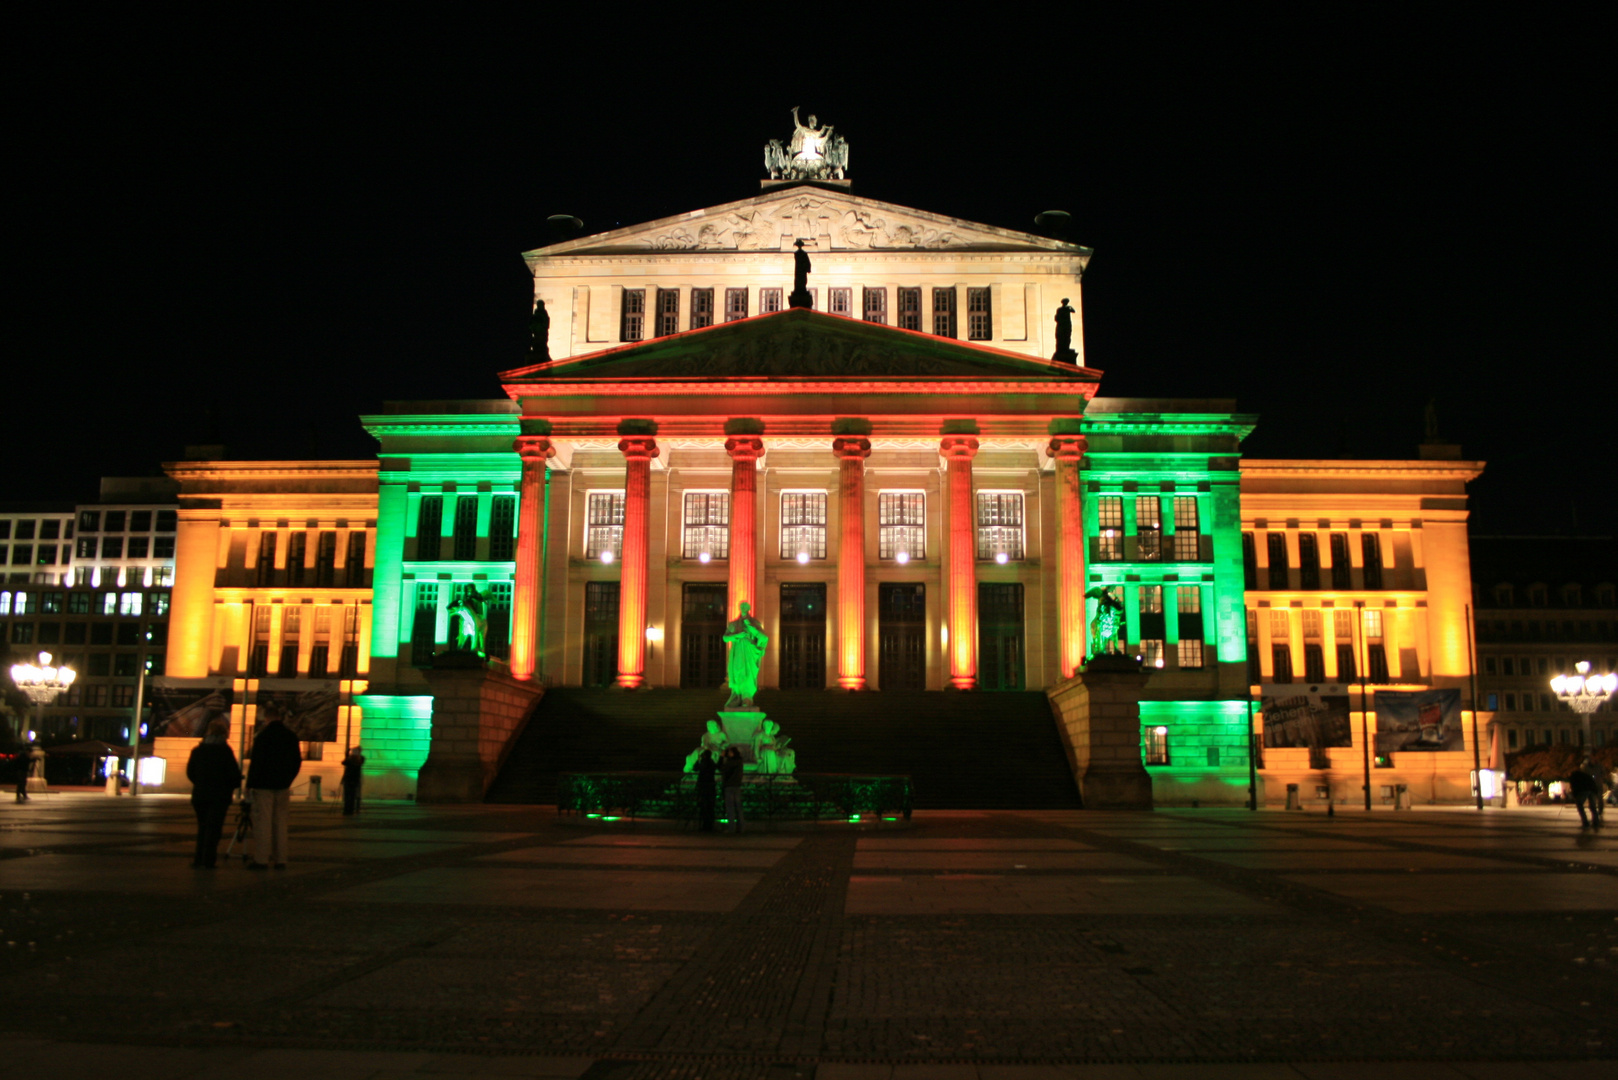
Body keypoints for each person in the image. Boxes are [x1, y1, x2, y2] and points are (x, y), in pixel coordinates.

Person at [245, 705, 302, 868]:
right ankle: (281, 859)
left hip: (263, 785)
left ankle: (261, 859)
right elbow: (297, 761)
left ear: (266, 718)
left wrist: (250, 784)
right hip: (283, 785)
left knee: (263, 822)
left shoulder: (263, 736)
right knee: (281, 823)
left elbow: (256, 762)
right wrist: (288, 779)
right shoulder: (290, 736)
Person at [186, 719, 242, 868]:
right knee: (214, 828)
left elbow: (190, 773)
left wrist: (200, 783)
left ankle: (198, 859)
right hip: (220, 796)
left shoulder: (198, 751)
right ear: (224, 733)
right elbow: (233, 775)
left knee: (202, 827)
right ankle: (209, 860)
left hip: (200, 795)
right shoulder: (225, 751)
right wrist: (232, 785)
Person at [1569, 756, 1602, 829]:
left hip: (1586, 789)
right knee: (1593, 806)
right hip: (1592, 789)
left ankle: (1585, 822)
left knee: (1579, 804)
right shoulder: (1585, 774)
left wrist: (1575, 796)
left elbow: (1574, 787)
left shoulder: (1574, 776)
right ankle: (1596, 822)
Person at [720, 745, 745, 834]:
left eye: (730, 752)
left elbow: (722, 769)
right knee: (738, 808)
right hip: (737, 786)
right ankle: (741, 827)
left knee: (730, 808)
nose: (729, 753)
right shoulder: (739, 761)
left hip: (730, 786)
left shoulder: (731, 762)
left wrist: (722, 757)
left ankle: (731, 828)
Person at [695, 749, 717, 832]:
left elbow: (695, 768)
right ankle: (709, 825)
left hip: (704, 786)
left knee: (704, 807)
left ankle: (705, 825)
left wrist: (698, 760)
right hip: (711, 786)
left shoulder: (704, 762)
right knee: (710, 807)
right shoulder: (712, 762)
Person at [341, 745, 365, 816]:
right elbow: (344, 763)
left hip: (350, 779)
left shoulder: (356, 759)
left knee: (350, 795)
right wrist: (348, 755)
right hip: (353, 780)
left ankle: (348, 810)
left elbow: (344, 763)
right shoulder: (358, 759)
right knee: (351, 795)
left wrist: (347, 755)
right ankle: (349, 810)